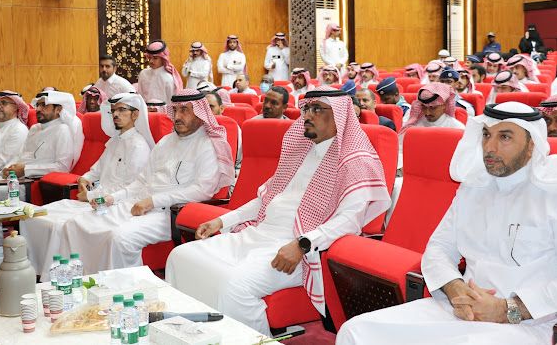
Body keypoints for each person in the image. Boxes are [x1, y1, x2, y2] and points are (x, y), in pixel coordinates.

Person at [165, 87, 390, 336]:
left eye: (317, 109)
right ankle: (194, 335)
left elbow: (349, 221)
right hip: (258, 235)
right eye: (306, 108)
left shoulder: (355, 161)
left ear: (340, 115)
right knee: (180, 257)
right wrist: (222, 220)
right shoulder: (301, 152)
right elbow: (266, 200)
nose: (307, 115)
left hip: (301, 249)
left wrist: (302, 244)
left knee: (233, 285)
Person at [337, 101, 557, 345]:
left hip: (528, 321)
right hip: (462, 308)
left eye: (504, 137)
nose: (489, 147)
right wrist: (455, 289)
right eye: (486, 135)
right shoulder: (473, 188)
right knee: (355, 331)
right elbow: (439, 249)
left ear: (531, 145)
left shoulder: (552, 192)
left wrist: (506, 309)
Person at [60, 89, 235, 274]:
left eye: (185, 110)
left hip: (171, 213)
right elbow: (142, 181)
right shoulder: (166, 142)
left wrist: (152, 201)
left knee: (120, 237)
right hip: (138, 203)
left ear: (200, 114)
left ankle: (123, 287)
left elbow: (202, 190)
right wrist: (112, 198)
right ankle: (84, 279)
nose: (177, 116)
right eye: (175, 110)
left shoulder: (208, 145)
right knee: (80, 222)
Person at [21, 93, 153, 281]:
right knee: (36, 216)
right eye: (113, 110)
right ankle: (35, 270)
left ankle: (66, 277)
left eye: (122, 110)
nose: (116, 114)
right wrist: (84, 179)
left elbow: (129, 188)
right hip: (95, 200)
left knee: (63, 225)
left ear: (135, 114)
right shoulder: (115, 141)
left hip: (114, 205)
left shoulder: (138, 146)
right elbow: (96, 169)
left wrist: (91, 196)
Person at [1, 91, 83, 180]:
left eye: (44, 105)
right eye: (38, 105)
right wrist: (7, 168)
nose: (38, 109)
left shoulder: (63, 130)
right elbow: (21, 155)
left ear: (58, 109)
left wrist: (25, 170)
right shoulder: (34, 128)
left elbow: (62, 167)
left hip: (34, 181)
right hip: (15, 177)